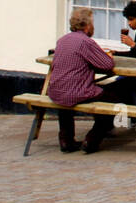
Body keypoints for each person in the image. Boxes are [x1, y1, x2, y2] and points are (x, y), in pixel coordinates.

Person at [47, 8, 116, 154]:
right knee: (113, 99)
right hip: (76, 92)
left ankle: (66, 140)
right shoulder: (86, 42)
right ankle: (91, 140)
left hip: (55, 90)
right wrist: (108, 55)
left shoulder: (62, 40)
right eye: (92, 23)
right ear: (87, 25)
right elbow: (107, 65)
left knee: (65, 93)